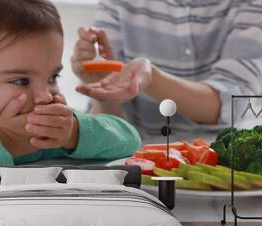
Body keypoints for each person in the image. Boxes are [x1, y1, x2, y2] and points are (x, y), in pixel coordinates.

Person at [0, 0, 142, 201]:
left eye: (52, 77)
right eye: (21, 81)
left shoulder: (48, 129)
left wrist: (73, 132)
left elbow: (129, 140)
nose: (45, 95)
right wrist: (5, 140)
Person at [72, 0, 262, 143]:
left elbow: (232, 103)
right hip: (135, 158)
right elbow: (110, 126)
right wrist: (102, 85)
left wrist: (153, 79)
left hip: (221, 162)